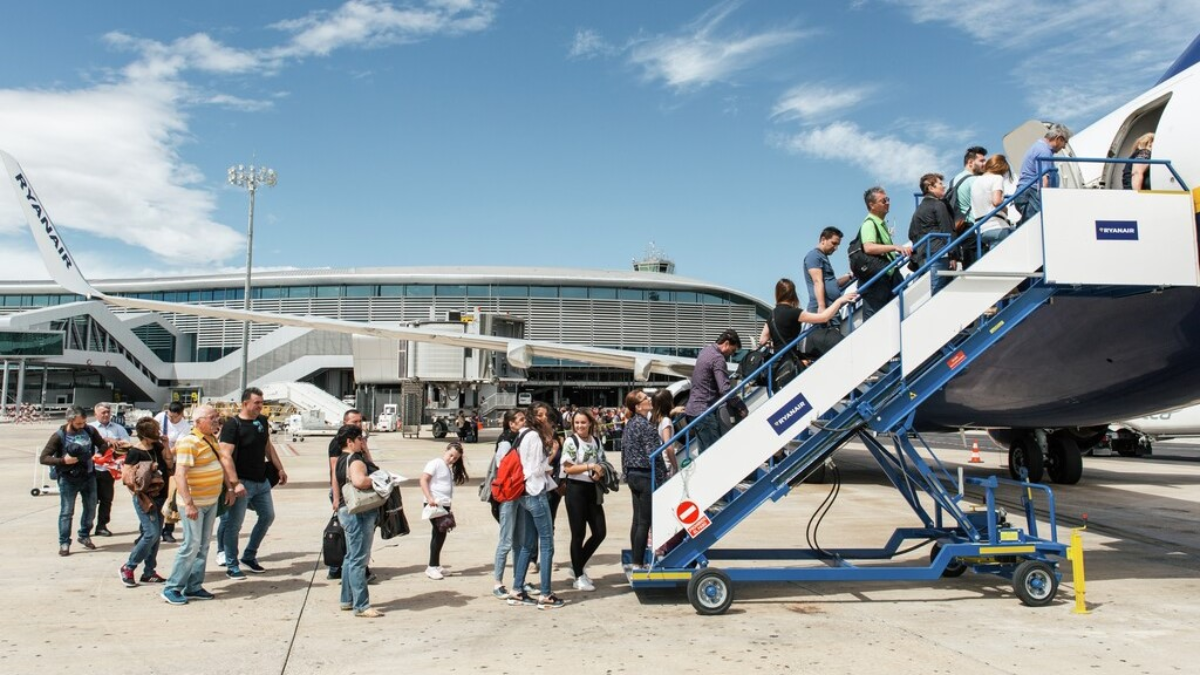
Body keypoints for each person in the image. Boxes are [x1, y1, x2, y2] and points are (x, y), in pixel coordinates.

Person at [161, 405, 231, 605]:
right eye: (212, 418)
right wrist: (189, 504)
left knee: (203, 545)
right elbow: (180, 474)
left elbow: (220, 465)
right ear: (199, 421)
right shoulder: (189, 442)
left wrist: (230, 489)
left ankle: (194, 585)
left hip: (210, 502)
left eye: (217, 417)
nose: (216, 421)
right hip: (194, 504)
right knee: (191, 545)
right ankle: (172, 587)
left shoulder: (210, 440)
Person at [216, 387, 288, 579]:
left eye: (261, 403)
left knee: (267, 516)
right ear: (245, 403)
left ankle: (249, 556)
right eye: (256, 403)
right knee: (234, 525)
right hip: (242, 484)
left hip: (261, 481)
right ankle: (232, 564)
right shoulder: (233, 425)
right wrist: (234, 483)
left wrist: (279, 468)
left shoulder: (262, 421)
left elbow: (267, 446)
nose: (260, 406)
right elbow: (225, 455)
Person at [507, 408, 565, 609]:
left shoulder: (523, 436)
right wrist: (550, 458)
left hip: (523, 493)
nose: (546, 419)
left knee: (527, 543)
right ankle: (546, 594)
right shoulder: (533, 437)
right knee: (547, 544)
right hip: (535, 492)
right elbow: (533, 469)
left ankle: (517, 589)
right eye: (542, 416)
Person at [40, 407, 107, 556]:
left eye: (83, 422)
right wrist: (63, 460)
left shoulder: (90, 431)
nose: (82, 426)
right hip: (68, 479)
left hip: (89, 477)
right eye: (78, 424)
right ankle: (64, 542)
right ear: (69, 421)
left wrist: (99, 454)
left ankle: (84, 535)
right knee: (66, 512)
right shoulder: (59, 436)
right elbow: (44, 458)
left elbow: (102, 444)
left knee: (90, 509)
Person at [332, 424, 383, 618]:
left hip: (346, 509)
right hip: (360, 512)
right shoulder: (355, 460)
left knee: (350, 557)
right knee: (359, 560)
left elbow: (335, 481)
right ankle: (361, 605)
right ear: (350, 442)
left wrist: (336, 502)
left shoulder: (340, 460)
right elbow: (359, 481)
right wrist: (380, 479)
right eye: (360, 439)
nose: (363, 442)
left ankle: (347, 599)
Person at [560, 409, 607, 592]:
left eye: (583, 422)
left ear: (590, 423)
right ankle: (579, 576)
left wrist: (600, 471)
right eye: (577, 423)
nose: (580, 426)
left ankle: (577, 564)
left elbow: (602, 461)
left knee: (600, 531)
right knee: (578, 534)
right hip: (575, 491)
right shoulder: (571, 442)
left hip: (592, 490)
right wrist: (589, 466)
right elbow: (568, 468)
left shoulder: (595, 441)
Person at [120, 417, 169, 587]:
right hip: (146, 498)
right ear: (146, 435)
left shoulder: (157, 447)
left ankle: (149, 572)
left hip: (161, 496)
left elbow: (169, 463)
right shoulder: (135, 452)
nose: (159, 433)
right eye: (155, 431)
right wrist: (141, 492)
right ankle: (129, 566)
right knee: (151, 533)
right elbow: (126, 477)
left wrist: (166, 445)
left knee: (156, 536)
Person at [759, 279, 859, 362]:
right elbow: (823, 317)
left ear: (777, 294)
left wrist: (776, 343)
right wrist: (839, 301)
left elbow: (762, 340)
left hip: (779, 360)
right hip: (791, 359)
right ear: (793, 294)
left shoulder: (771, 314)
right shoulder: (794, 312)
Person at [850, 187, 912, 320]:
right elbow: (868, 247)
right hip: (877, 281)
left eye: (888, 199)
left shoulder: (881, 224)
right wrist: (894, 247)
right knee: (875, 321)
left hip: (887, 276)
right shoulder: (869, 223)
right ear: (872, 205)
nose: (887, 203)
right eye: (883, 201)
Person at [327, 408, 373, 580]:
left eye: (360, 421)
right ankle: (338, 568)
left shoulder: (359, 441)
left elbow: (370, 464)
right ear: (345, 422)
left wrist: (365, 446)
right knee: (347, 531)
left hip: (358, 492)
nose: (358, 424)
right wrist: (337, 498)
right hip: (344, 492)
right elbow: (334, 472)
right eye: (354, 422)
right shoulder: (338, 443)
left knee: (356, 532)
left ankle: (354, 567)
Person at [491, 409, 533, 599]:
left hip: (520, 493)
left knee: (520, 541)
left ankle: (519, 580)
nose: (525, 422)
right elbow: (504, 468)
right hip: (508, 495)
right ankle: (498, 582)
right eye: (521, 420)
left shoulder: (521, 439)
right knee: (506, 541)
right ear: (512, 424)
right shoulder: (506, 442)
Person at [683, 329, 746, 453]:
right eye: (732, 351)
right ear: (726, 343)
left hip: (693, 409)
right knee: (713, 452)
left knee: (704, 451)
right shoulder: (718, 359)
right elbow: (724, 389)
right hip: (704, 411)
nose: (731, 355)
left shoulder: (705, 350)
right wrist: (740, 405)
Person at [621, 389, 661, 569]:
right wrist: (662, 475)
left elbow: (624, 451)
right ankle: (638, 561)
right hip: (645, 474)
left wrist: (626, 472)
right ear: (638, 407)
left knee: (637, 519)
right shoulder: (645, 425)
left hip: (632, 475)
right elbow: (654, 453)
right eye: (645, 398)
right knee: (644, 521)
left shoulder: (630, 424)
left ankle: (636, 559)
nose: (649, 399)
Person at [420, 441, 468, 580]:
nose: (452, 459)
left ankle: (436, 565)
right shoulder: (435, 463)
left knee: (441, 533)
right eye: (451, 455)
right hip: (435, 504)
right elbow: (423, 480)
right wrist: (429, 498)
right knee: (438, 533)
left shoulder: (447, 467)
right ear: (446, 451)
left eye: (455, 458)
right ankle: (431, 566)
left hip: (444, 505)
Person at [908, 173, 958, 293]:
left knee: (932, 291)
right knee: (940, 291)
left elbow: (911, 233)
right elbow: (947, 229)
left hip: (923, 255)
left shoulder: (918, 210)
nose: (944, 186)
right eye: (940, 184)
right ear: (931, 188)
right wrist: (953, 255)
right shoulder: (939, 205)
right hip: (939, 254)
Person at [1014, 123, 1072, 223]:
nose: (1063, 147)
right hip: (1031, 194)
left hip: (1023, 192)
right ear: (1059, 138)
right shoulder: (1045, 151)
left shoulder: (1038, 146)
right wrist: (1046, 199)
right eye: (1065, 143)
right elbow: (1043, 179)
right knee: (1040, 223)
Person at [90, 402, 132, 537]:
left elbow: (127, 444)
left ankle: (102, 525)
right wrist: (105, 440)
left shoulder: (118, 428)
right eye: (103, 412)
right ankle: (86, 527)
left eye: (108, 412)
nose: (106, 415)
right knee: (90, 499)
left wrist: (116, 443)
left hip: (109, 469)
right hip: (92, 468)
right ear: (95, 413)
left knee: (106, 499)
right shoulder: (90, 428)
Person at [948, 146, 987, 268]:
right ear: (970, 162)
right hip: (972, 227)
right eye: (981, 161)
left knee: (969, 266)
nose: (984, 164)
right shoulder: (975, 180)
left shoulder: (954, 180)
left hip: (959, 227)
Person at [156, 402, 190, 543]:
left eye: (175, 417)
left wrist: (167, 454)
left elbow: (178, 446)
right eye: (170, 416)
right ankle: (149, 530)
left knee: (171, 496)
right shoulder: (160, 418)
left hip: (174, 463)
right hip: (158, 459)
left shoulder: (185, 427)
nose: (171, 419)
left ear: (181, 414)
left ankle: (168, 530)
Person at [804, 227, 853, 319]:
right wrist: (821, 307)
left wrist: (850, 276)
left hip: (832, 308)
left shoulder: (823, 257)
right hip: (824, 309)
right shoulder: (814, 256)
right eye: (834, 243)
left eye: (838, 245)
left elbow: (832, 283)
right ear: (823, 239)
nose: (836, 248)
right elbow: (817, 281)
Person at [971, 154, 1016, 253]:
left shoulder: (976, 181)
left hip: (981, 228)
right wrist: (1005, 209)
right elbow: (997, 201)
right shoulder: (996, 178)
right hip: (997, 226)